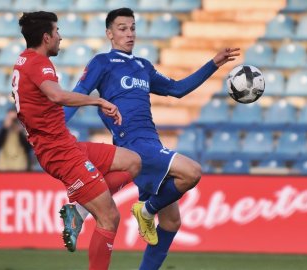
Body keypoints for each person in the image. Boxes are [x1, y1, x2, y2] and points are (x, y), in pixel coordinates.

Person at [64, 8, 240, 270]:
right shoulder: (102, 63)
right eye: (122, 28)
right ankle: (145, 211)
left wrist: (213, 63)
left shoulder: (143, 66)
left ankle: (132, 217)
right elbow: (77, 94)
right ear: (109, 33)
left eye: (133, 28)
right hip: (133, 146)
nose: (129, 33)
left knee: (171, 223)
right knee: (192, 172)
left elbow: (177, 89)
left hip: (151, 145)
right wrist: (56, 129)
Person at [13, 11, 141, 270]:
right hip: (60, 152)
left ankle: (78, 211)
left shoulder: (24, 60)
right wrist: (98, 99)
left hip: (65, 144)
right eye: (57, 32)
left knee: (133, 162)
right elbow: (56, 96)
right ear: (46, 37)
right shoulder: (39, 63)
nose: (61, 37)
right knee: (109, 217)